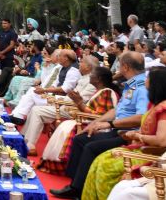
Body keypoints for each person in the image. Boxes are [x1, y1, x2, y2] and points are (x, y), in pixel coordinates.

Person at [49, 52, 150, 199]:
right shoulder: (132, 84)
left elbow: (141, 117)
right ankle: (75, 185)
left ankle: (77, 189)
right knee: (80, 139)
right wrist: (96, 122)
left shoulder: (141, 87)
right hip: (118, 128)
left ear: (126, 67)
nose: (118, 68)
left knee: (91, 147)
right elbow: (117, 110)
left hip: (128, 134)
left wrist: (108, 124)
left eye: (120, 65)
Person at [79, 67, 166, 200]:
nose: (145, 80)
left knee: (106, 166)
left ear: (157, 83)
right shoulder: (156, 104)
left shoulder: (165, 108)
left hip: (151, 153)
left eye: (148, 78)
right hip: (141, 147)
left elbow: (163, 140)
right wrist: (135, 133)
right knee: (100, 161)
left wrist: (138, 136)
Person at [37, 66, 120, 175]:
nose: (90, 75)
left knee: (67, 126)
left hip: (98, 126)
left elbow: (99, 116)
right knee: (65, 125)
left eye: (92, 74)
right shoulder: (100, 91)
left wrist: (79, 102)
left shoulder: (106, 92)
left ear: (99, 78)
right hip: (88, 121)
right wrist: (78, 102)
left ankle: (63, 165)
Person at [21, 55, 99, 154]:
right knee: (35, 108)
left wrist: (58, 99)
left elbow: (80, 100)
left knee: (37, 111)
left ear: (88, 67)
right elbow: (73, 96)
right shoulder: (84, 78)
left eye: (82, 62)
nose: (79, 64)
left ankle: (30, 145)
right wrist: (57, 99)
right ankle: (24, 139)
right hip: (66, 105)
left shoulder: (91, 81)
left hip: (73, 110)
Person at [11, 49, 81, 124]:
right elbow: (55, 83)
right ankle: (17, 115)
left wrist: (45, 90)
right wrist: (44, 90)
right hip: (55, 95)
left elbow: (65, 89)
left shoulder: (74, 70)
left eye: (60, 56)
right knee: (33, 90)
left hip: (63, 100)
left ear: (66, 58)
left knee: (33, 92)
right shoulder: (63, 67)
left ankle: (18, 115)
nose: (58, 57)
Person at [3, 40, 46, 107]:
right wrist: (20, 68)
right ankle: (6, 95)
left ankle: (11, 98)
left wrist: (28, 72)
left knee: (14, 77)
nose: (30, 47)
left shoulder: (41, 58)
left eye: (32, 45)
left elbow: (38, 72)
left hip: (32, 76)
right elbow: (26, 66)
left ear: (36, 47)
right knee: (8, 71)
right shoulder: (34, 56)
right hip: (26, 72)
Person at [0, 18, 18, 97]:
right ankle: (0, 92)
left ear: (9, 24)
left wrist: (2, 52)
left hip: (9, 57)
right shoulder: (1, 33)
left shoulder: (12, 33)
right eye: (2, 23)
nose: (3, 25)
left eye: (5, 23)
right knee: (3, 75)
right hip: (2, 57)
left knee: (8, 75)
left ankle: (6, 92)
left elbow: (12, 45)